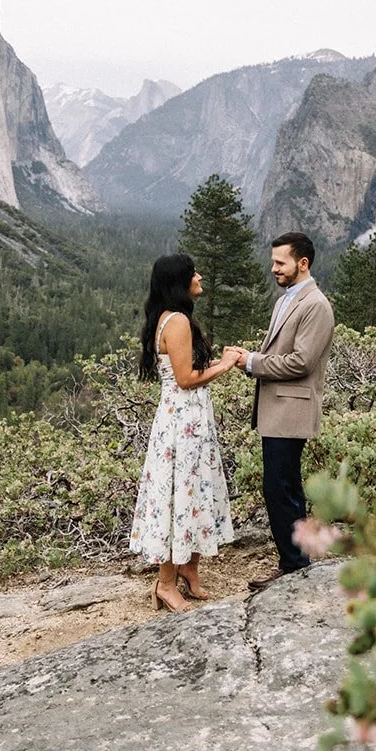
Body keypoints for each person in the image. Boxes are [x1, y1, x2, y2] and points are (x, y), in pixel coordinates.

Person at [129, 253, 243, 612]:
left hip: (188, 421)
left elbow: (189, 367)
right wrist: (224, 366)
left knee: (194, 492)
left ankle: (190, 570)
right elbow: (185, 379)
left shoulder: (174, 319)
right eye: (193, 272)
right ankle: (165, 583)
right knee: (177, 497)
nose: (200, 275)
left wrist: (216, 361)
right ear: (180, 282)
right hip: (182, 424)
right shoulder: (176, 321)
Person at [225, 231, 334, 591]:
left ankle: (295, 564)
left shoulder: (316, 305)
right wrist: (249, 358)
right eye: (273, 261)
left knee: (281, 487)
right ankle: (293, 560)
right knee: (280, 485)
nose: (273, 268)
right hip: (279, 410)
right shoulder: (285, 301)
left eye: (280, 262)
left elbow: (301, 362)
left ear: (302, 263)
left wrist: (251, 361)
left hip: (292, 412)